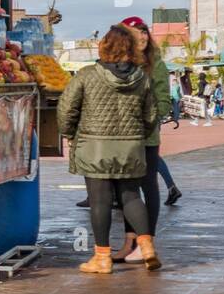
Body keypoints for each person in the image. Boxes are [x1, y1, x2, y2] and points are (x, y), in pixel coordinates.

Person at [58, 25, 159, 273]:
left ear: (104, 46)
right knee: (132, 196)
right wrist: (138, 137)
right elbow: (151, 116)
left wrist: (70, 134)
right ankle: (147, 248)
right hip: (131, 147)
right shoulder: (142, 79)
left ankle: (102, 258)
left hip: (95, 147)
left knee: (100, 201)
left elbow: (66, 108)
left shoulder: (86, 75)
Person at [117, 17, 178, 258]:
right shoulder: (119, 65)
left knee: (148, 187)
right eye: (136, 33)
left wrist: (147, 121)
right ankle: (129, 242)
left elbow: (163, 101)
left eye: (144, 32)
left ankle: (147, 243)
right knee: (126, 191)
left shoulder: (157, 65)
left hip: (146, 137)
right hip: (121, 139)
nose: (142, 36)